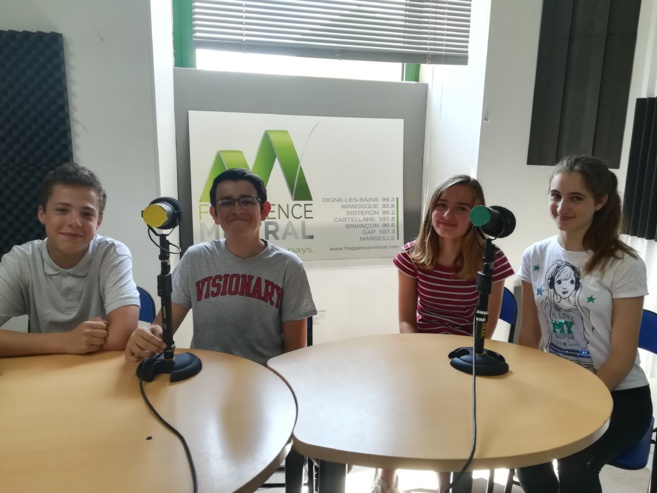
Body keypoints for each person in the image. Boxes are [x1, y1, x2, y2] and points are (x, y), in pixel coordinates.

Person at [516, 155, 652, 493]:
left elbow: (621, 357)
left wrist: (577, 401)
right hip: (556, 386)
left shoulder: (624, 264)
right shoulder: (535, 255)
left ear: (600, 202)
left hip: (618, 394)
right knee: (523, 451)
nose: (562, 207)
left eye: (576, 198)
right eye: (556, 195)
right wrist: (523, 387)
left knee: (575, 464)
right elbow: (529, 335)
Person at [372, 175, 515, 493]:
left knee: (451, 414)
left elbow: (485, 329)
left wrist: (455, 360)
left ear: (478, 216)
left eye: (461, 208)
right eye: (441, 205)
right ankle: (386, 476)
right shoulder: (412, 254)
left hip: (464, 352)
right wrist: (420, 354)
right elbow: (406, 320)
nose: (448, 215)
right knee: (396, 400)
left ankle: (445, 483)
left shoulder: (492, 259)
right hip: (420, 346)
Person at [124, 168, 317, 366]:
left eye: (247, 201)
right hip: (203, 374)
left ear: (264, 211)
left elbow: (294, 351)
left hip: (263, 376)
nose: (237, 210)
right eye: (226, 203)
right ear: (214, 214)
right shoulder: (196, 258)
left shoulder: (288, 265)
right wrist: (146, 337)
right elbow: (162, 328)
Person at [0, 162, 140, 356]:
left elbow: (122, 336)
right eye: (62, 210)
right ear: (42, 214)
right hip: (42, 369)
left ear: (98, 221)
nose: (74, 222)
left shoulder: (112, 253)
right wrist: (65, 341)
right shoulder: (20, 260)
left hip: (98, 368)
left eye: (87, 214)